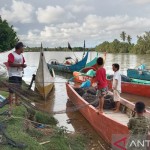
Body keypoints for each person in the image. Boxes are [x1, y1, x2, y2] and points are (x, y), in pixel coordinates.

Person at [7, 42, 27, 113]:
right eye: (23, 48)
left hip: (19, 74)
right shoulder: (12, 54)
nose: (24, 49)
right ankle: (10, 106)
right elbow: (10, 64)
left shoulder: (21, 56)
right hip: (13, 74)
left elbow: (22, 63)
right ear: (19, 48)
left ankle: (16, 102)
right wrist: (21, 65)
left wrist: (23, 65)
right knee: (12, 90)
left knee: (18, 89)